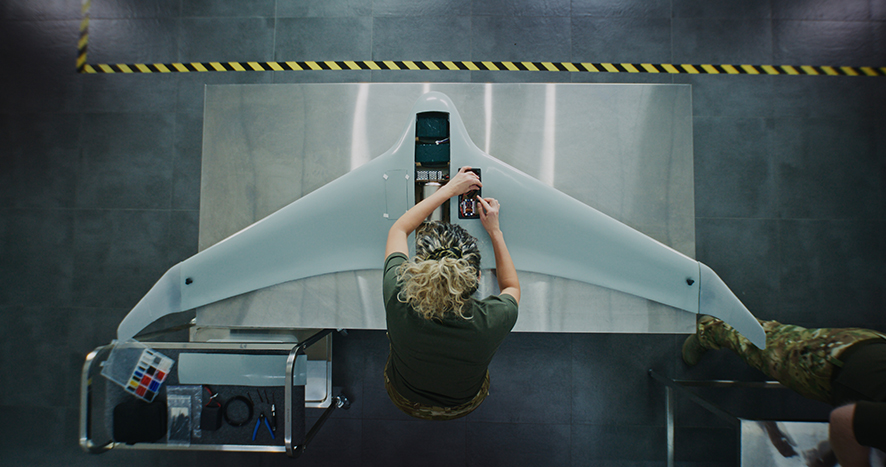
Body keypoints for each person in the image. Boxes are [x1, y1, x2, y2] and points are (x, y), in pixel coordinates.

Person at [383, 166, 520, 420]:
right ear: (477, 278)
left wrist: (448, 190)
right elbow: (510, 287)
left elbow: (399, 230)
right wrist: (494, 231)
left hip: (404, 395)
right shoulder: (490, 320)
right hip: (462, 402)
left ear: (419, 269)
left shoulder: (399, 297)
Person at [683, 316, 886, 466]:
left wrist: (830, 457)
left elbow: (864, 429)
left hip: (864, 364)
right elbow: (845, 422)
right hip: (837, 356)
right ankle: (713, 328)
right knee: (769, 348)